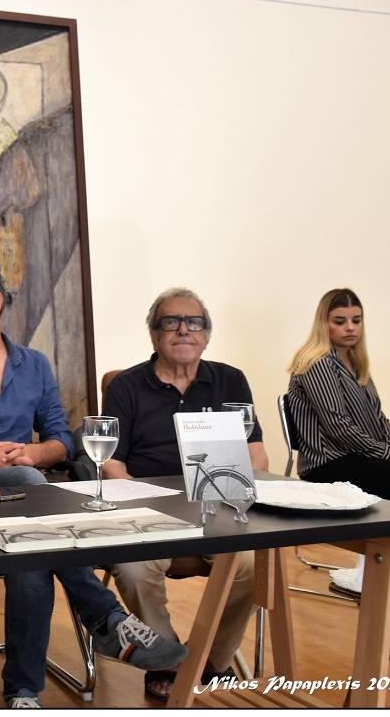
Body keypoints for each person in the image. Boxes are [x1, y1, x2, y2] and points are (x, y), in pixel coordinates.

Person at [0, 261, 188, 709]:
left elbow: (60, 440)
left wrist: (34, 453)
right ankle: (107, 618)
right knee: (31, 487)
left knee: (31, 555)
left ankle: (23, 692)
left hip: (21, 507)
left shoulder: (33, 365)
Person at [101, 286, 269, 701]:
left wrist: (243, 487)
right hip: (150, 508)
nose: (183, 330)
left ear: (206, 336)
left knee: (254, 564)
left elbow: (256, 453)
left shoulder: (230, 380)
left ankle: (213, 658)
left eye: (194, 323)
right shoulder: (126, 386)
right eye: (170, 322)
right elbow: (111, 463)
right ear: (154, 335)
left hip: (218, 505)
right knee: (133, 569)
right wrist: (138, 502)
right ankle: (166, 659)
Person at [287, 288, 390, 501]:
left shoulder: (356, 363)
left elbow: (379, 419)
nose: (350, 327)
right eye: (340, 322)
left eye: (356, 321)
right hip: (328, 464)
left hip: (360, 456)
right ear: (323, 324)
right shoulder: (318, 364)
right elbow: (339, 427)